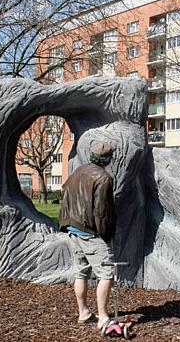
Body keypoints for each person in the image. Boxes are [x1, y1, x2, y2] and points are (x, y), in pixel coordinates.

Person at [59, 141, 117, 333]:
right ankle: (103, 317)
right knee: (107, 273)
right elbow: (102, 212)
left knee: (81, 272)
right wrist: (106, 235)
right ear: (108, 159)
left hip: (72, 228)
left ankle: (83, 312)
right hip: (90, 232)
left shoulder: (78, 171)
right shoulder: (104, 178)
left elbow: (64, 191)